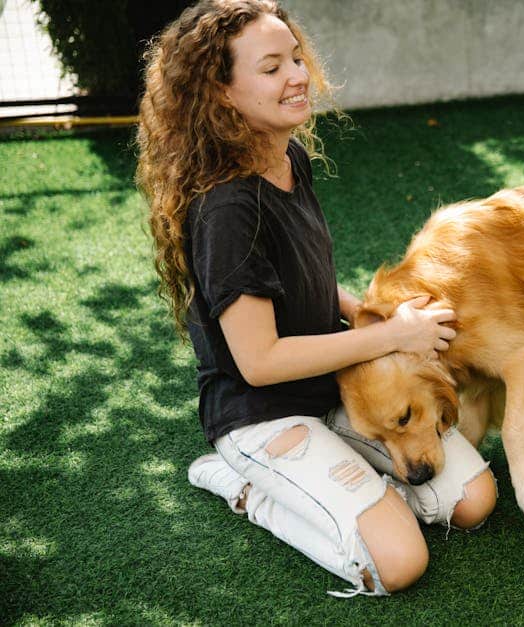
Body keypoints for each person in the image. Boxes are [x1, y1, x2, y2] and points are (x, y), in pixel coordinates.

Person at [135, 0, 497, 597]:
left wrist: (366, 313)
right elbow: (260, 361)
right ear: (221, 93)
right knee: (399, 563)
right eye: (272, 68)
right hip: (260, 413)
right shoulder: (229, 208)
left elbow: (305, 276)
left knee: (472, 501)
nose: (298, 75)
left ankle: (344, 488)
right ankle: (243, 487)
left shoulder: (287, 158)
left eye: (296, 58)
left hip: (332, 385)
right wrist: (392, 336)